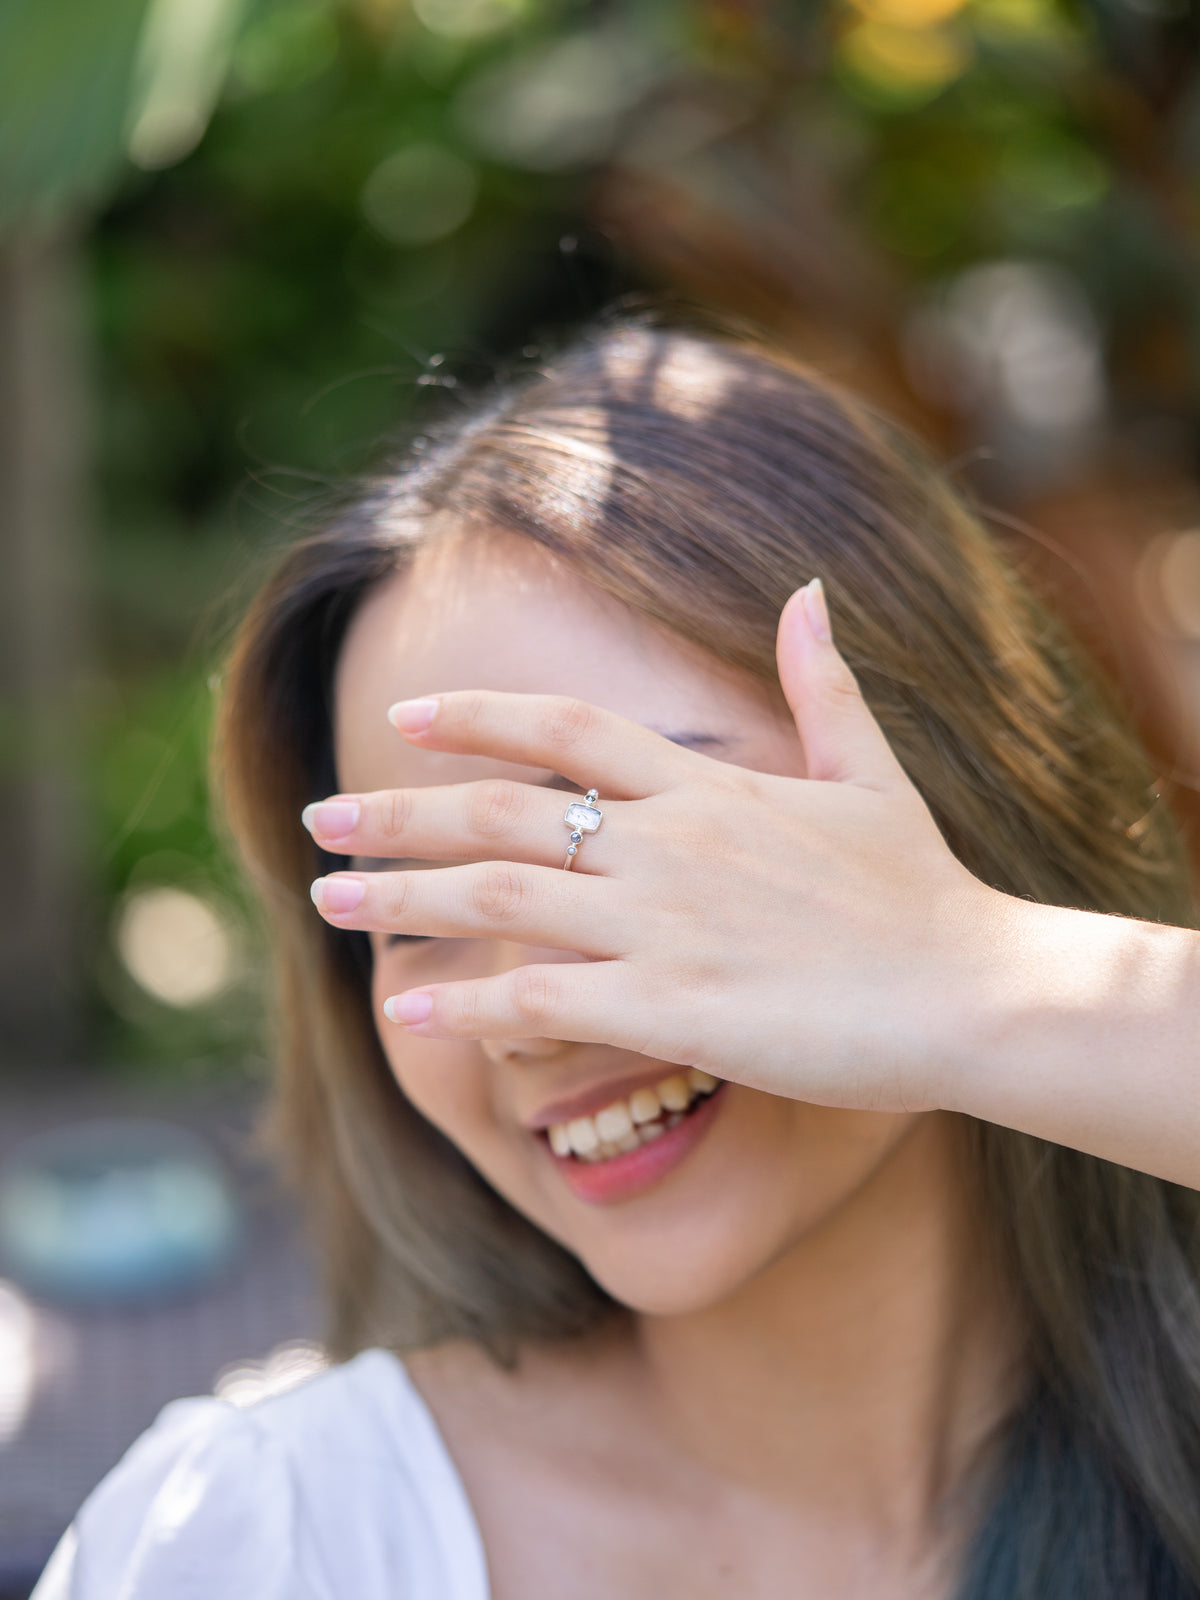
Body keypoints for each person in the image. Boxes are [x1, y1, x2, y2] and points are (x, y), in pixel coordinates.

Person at [34, 322, 1200, 1599]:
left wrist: (973, 977)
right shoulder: (260, 1542)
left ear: (948, 785)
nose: (523, 1014)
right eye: (415, 914)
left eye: (622, 839)